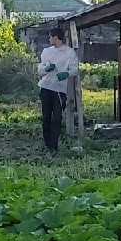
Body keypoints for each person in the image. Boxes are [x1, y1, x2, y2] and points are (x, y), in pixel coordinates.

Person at [38, 25, 79, 154]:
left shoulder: (69, 52)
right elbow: (40, 69)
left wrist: (66, 74)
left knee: (57, 117)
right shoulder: (46, 52)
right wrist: (46, 69)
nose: (49, 39)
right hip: (45, 87)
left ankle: (53, 145)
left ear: (56, 38)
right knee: (46, 116)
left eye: (50, 37)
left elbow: (75, 69)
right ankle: (47, 142)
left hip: (60, 90)